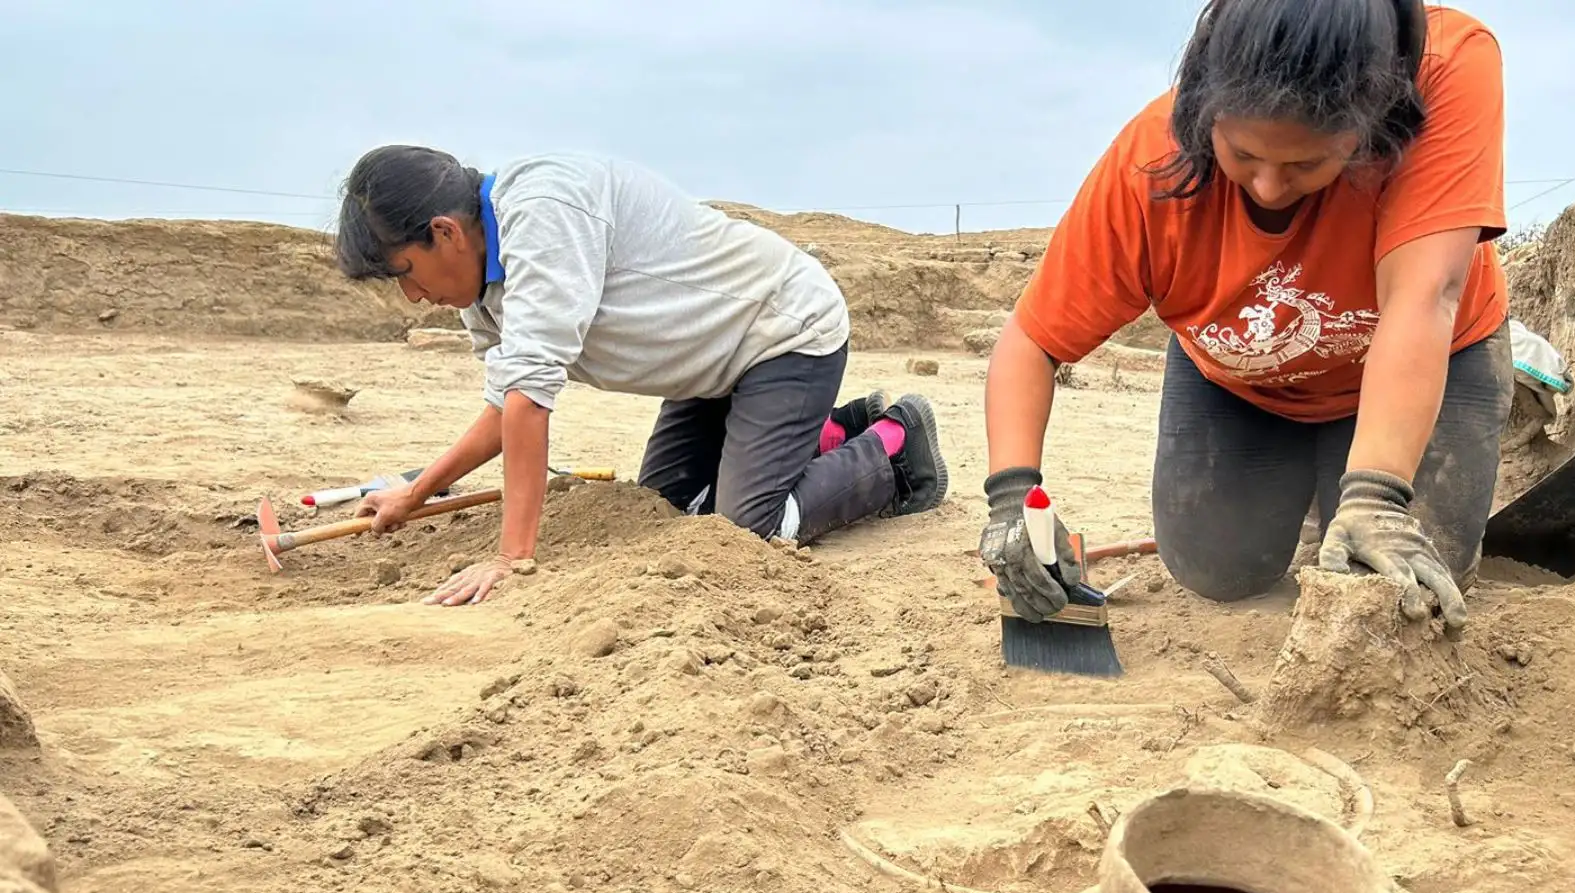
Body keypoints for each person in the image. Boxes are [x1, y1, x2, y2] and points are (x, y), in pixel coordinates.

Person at [980, 0, 1509, 631]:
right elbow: (1032, 342)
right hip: (1245, 378)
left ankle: (1353, 473)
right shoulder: (1149, 162)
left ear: (1371, 125)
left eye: (1306, 164)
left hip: (1425, 353)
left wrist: (1377, 497)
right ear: (1205, 111)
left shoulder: (1443, 67)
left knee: (1401, 588)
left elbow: (1424, 296)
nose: (1266, 187)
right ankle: (1319, 478)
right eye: (1241, 156)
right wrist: (1011, 503)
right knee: (1217, 571)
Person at [333, 146, 949, 606]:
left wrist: (511, 559)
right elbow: (504, 409)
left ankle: (894, 447)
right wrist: (414, 494)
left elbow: (529, 404)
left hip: (781, 332)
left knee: (746, 532)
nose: (413, 296)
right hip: (708, 366)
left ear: (444, 232)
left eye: (407, 272)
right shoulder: (481, 286)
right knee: (664, 508)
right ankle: (828, 431)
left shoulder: (543, 216)